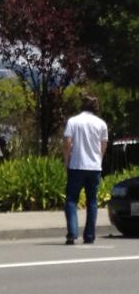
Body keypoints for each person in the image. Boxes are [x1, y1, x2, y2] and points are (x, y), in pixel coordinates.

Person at [63, 94, 108, 245]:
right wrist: (98, 158)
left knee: (71, 200)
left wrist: (66, 161)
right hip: (94, 166)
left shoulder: (73, 122)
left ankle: (72, 233)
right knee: (92, 201)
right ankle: (89, 235)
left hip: (77, 165)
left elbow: (68, 143)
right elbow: (103, 144)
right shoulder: (101, 124)